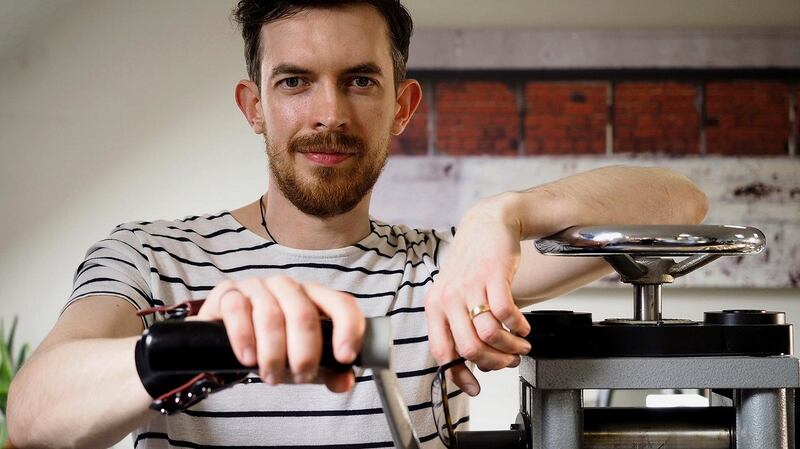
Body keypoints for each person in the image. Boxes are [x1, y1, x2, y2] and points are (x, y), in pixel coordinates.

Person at [7, 1, 708, 448]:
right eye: (294, 81)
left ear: (402, 105)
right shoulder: (151, 256)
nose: (328, 113)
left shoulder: (450, 272)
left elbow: (680, 205)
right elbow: (34, 415)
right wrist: (203, 343)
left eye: (359, 80)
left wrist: (504, 213)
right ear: (254, 106)